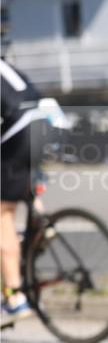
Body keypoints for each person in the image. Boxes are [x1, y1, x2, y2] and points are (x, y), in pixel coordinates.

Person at [1, 58, 41, 326]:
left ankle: (14, 298)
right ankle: (43, 221)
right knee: (21, 182)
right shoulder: (6, 66)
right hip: (45, 119)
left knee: (2, 212)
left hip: (20, 128)